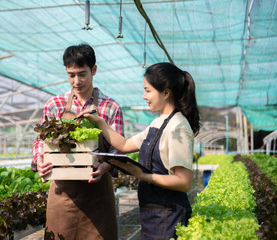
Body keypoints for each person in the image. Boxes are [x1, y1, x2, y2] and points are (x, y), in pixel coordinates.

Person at [78, 62, 200, 240]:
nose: (144, 96)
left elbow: (184, 181)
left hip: (169, 216)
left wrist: (143, 176)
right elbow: (125, 145)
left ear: (166, 92)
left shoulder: (177, 127)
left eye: (148, 90)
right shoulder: (159, 123)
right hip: (155, 213)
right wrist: (99, 122)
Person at [31, 43, 124, 240]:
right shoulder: (54, 105)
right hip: (62, 194)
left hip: (98, 194)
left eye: (82, 74)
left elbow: (119, 148)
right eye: (71, 75)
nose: (76, 81)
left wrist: (106, 166)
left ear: (94, 70)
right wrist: (40, 160)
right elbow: (41, 142)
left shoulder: (110, 107)